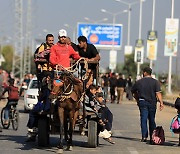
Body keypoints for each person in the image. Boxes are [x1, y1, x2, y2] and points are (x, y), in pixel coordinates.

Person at [131, 67, 164, 143]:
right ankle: (153, 137)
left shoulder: (139, 82)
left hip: (142, 102)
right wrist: (161, 103)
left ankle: (144, 136)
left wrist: (137, 99)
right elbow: (158, 93)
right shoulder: (155, 82)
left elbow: (133, 91)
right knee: (152, 120)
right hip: (152, 102)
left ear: (145, 73)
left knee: (143, 119)